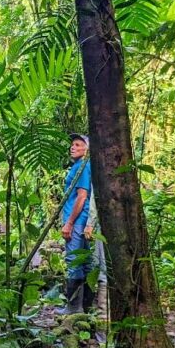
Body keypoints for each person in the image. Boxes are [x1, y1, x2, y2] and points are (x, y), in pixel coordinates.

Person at [61, 133, 93, 313]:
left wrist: (69, 223)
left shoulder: (82, 167)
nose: (73, 147)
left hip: (77, 221)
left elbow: (82, 197)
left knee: (74, 261)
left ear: (87, 149)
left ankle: (73, 308)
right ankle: (86, 307)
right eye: (72, 144)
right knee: (85, 261)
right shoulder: (80, 166)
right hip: (80, 221)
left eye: (78, 145)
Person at [85, 190, 108, 318]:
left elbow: (95, 196)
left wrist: (90, 224)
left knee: (103, 271)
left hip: (105, 223)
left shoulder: (101, 170)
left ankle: (103, 318)